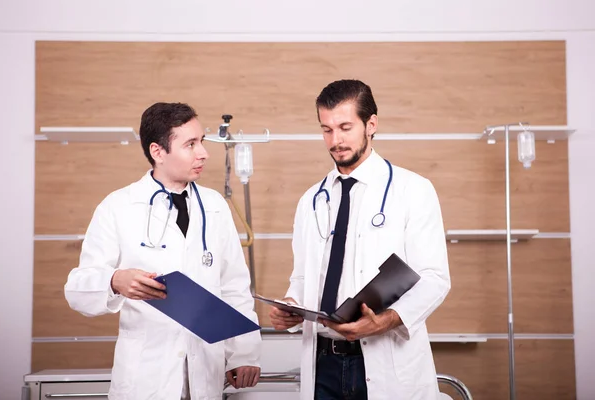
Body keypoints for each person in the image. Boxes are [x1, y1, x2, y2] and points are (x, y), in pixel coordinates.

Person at [64, 102, 262, 400]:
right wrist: (114, 280)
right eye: (190, 145)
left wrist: (243, 353)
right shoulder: (118, 207)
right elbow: (77, 289)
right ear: (158, 152)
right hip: (146, 377)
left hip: (205, 374)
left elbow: (234, 286)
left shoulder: (215, 206)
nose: (203, 153)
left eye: (202, 142)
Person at [269, 80, 451, 400]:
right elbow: (302, 277)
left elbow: (434, 279)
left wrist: (384, 321)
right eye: (326, 129)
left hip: (384, 359)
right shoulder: (311, 200)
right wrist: (292, 306)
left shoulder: (412, 190)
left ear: (371, 124)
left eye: (345, 127)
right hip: (323, 363)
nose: (335, 141)